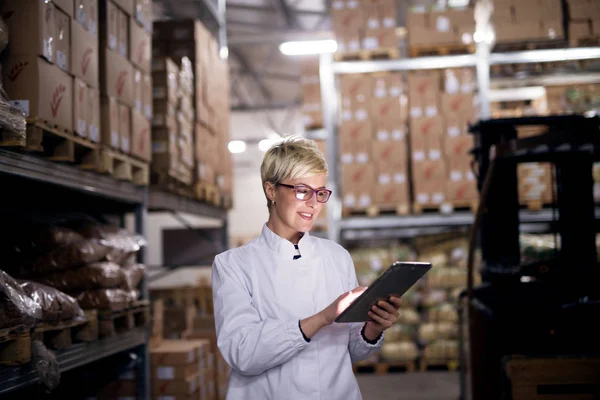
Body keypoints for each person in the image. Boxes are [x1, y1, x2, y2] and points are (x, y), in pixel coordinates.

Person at [212, 136, 402, 399]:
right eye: (302, 191)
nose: (313, 204)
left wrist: (373, 328)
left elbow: (352, 350)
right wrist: (321, 318)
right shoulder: (234, 265)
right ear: (271, 190)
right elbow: (242, 353)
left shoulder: (337, 256)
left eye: (320, 192)